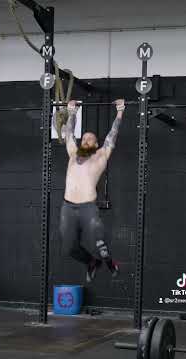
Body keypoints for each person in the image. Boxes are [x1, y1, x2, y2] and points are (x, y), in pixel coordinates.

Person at [57, 99, 125, 282]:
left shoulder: (101, 155)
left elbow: (113, 134)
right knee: (68, 248)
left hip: (88, 207)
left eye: (90, 138)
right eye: (84, 138)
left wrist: (120, 111)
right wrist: (71, 111)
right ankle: (91, 262)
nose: (86, 140)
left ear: (96, 144)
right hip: (68, 207)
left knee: (99, 242)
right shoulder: (73, 152)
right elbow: (69, 133)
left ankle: (110, 263)